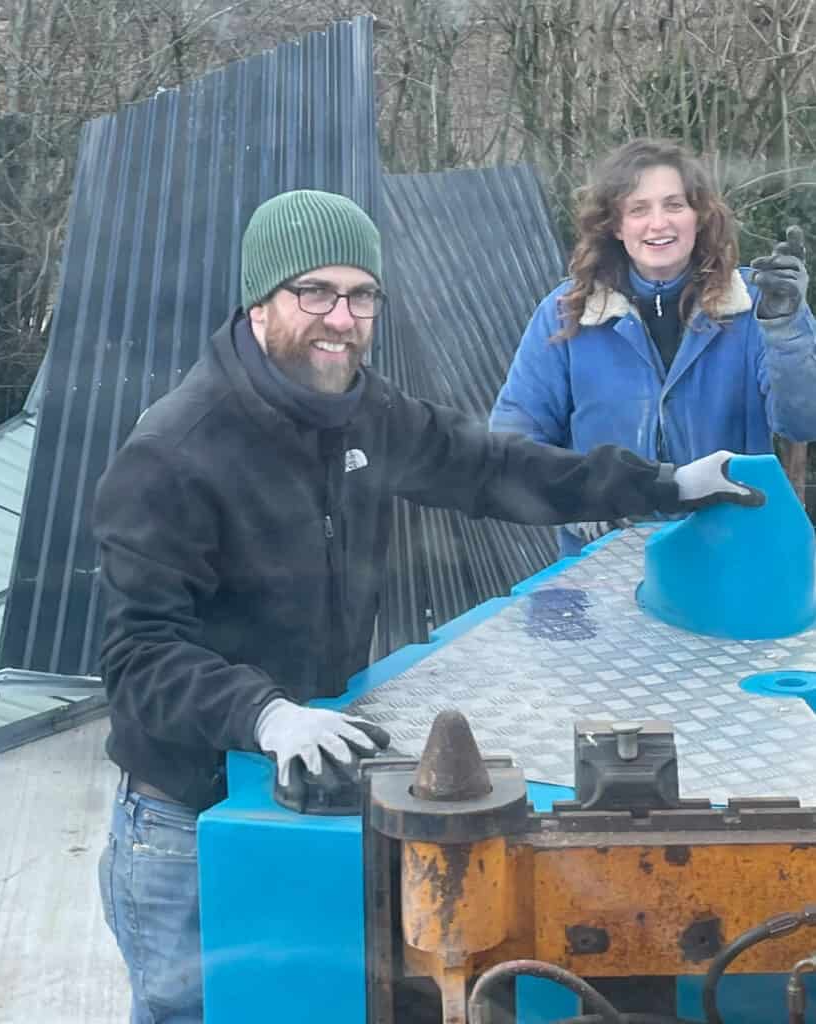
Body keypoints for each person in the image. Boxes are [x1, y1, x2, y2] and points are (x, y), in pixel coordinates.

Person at [92, 188, 762, 1024]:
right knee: (193, 1012)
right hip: (184, 815)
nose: (342, 317)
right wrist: (264, 714)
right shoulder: (175, 452)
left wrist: (663, 485)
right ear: (259, 302)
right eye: (315, 292)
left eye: (361, 294)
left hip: (314, 775)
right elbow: (138, 654)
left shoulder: (362, 412)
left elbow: (493, 468)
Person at [489, 137, 816, 556]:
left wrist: (786, 329)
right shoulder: (565, 314)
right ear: (615, 224)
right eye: (638, 208)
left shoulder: (759, 303)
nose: (658, 223)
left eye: (674, 205)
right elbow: (514, 433)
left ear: (699, 216)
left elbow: (803, 422)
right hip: (606, 560)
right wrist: (574, 496)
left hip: (730, 552)